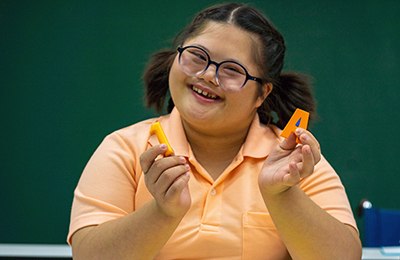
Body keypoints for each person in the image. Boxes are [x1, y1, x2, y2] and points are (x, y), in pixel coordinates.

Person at [67, 3, 362, 259]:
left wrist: (281, 194)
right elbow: (89, 256)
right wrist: (162, 212)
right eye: (197, 56)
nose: (208, 75)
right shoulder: (124, 148)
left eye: (232, 70)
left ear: (262, 94)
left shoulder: (292, 158)